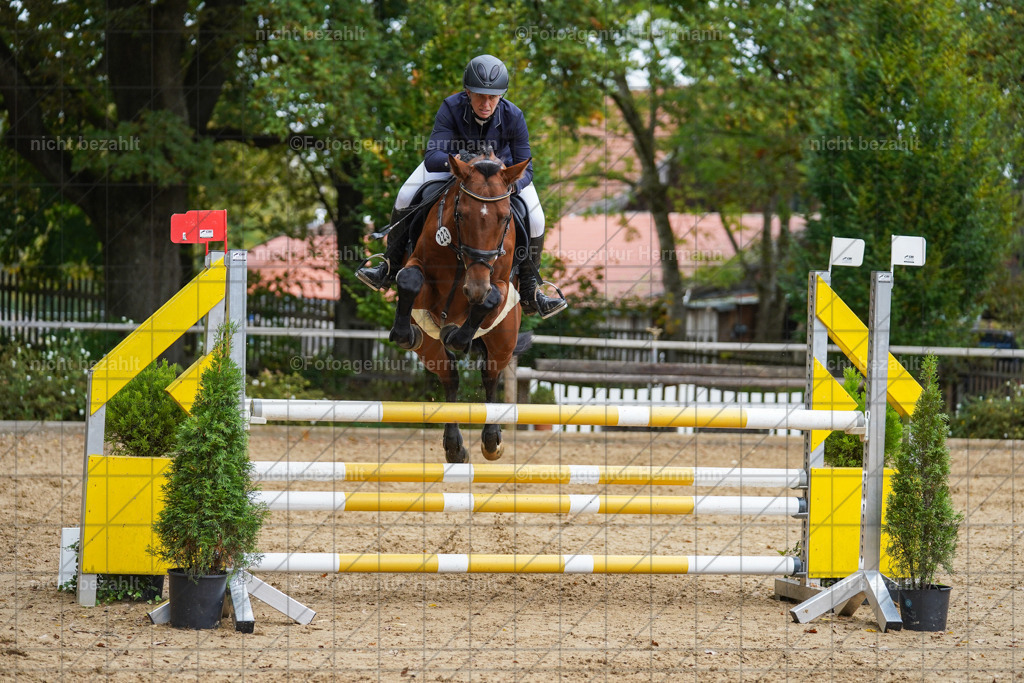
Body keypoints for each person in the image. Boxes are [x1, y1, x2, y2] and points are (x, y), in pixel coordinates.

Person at [356, 54, 567, 318]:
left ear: (501, 96)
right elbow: (433, 157)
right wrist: (463, 163)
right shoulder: (451, 107)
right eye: (479, 95)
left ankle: (531, 289)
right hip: (457, 172)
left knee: (536, 217)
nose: (486, 103)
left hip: (501, 181)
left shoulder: (514, 116)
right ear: (467, 92)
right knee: (405, 194)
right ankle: (388, 265)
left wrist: (509, 187)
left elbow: (528, 167)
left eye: (493, 97)